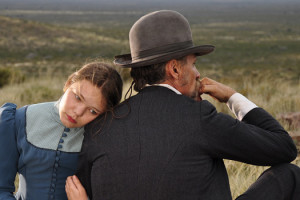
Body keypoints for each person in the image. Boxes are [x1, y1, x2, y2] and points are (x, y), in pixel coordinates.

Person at [66, 10, 300, 200]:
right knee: (289, 176)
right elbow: (283, 148)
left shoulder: (99, 127)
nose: (198, 73)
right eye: (193, 64)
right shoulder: (198, 117)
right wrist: (231, 97)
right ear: (175, 69)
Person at [0, 62, 123, 200]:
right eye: (77, 97)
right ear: (69, 83)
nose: (77, 112)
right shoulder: (17, 120)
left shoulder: (105, 140)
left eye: (92, 111)